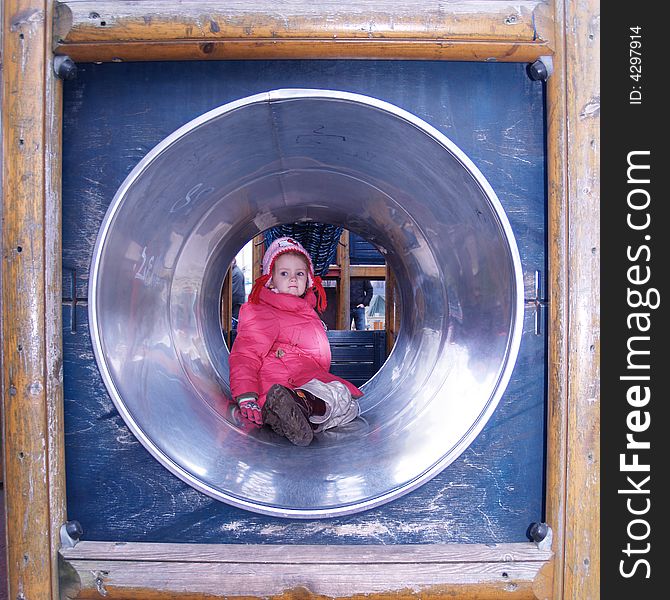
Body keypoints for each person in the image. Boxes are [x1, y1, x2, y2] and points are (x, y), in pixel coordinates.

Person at [229, 237, 363, 446]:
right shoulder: (263, 311)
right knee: (342, 395)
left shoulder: (304, 311)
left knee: (351, 407)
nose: (293, 278)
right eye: (284, 273)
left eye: (299, 273)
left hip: (294, 387)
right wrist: (246, 396)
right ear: (270, 280)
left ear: (309, 279)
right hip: (288, 386)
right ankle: (303, 405)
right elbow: (246, 353)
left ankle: (289, 419)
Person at [230, 257, 245, 327]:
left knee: (234, 327)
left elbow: (235, 293)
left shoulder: (236, 274)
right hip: (236, 305)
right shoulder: (235, 272)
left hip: (236, 306)